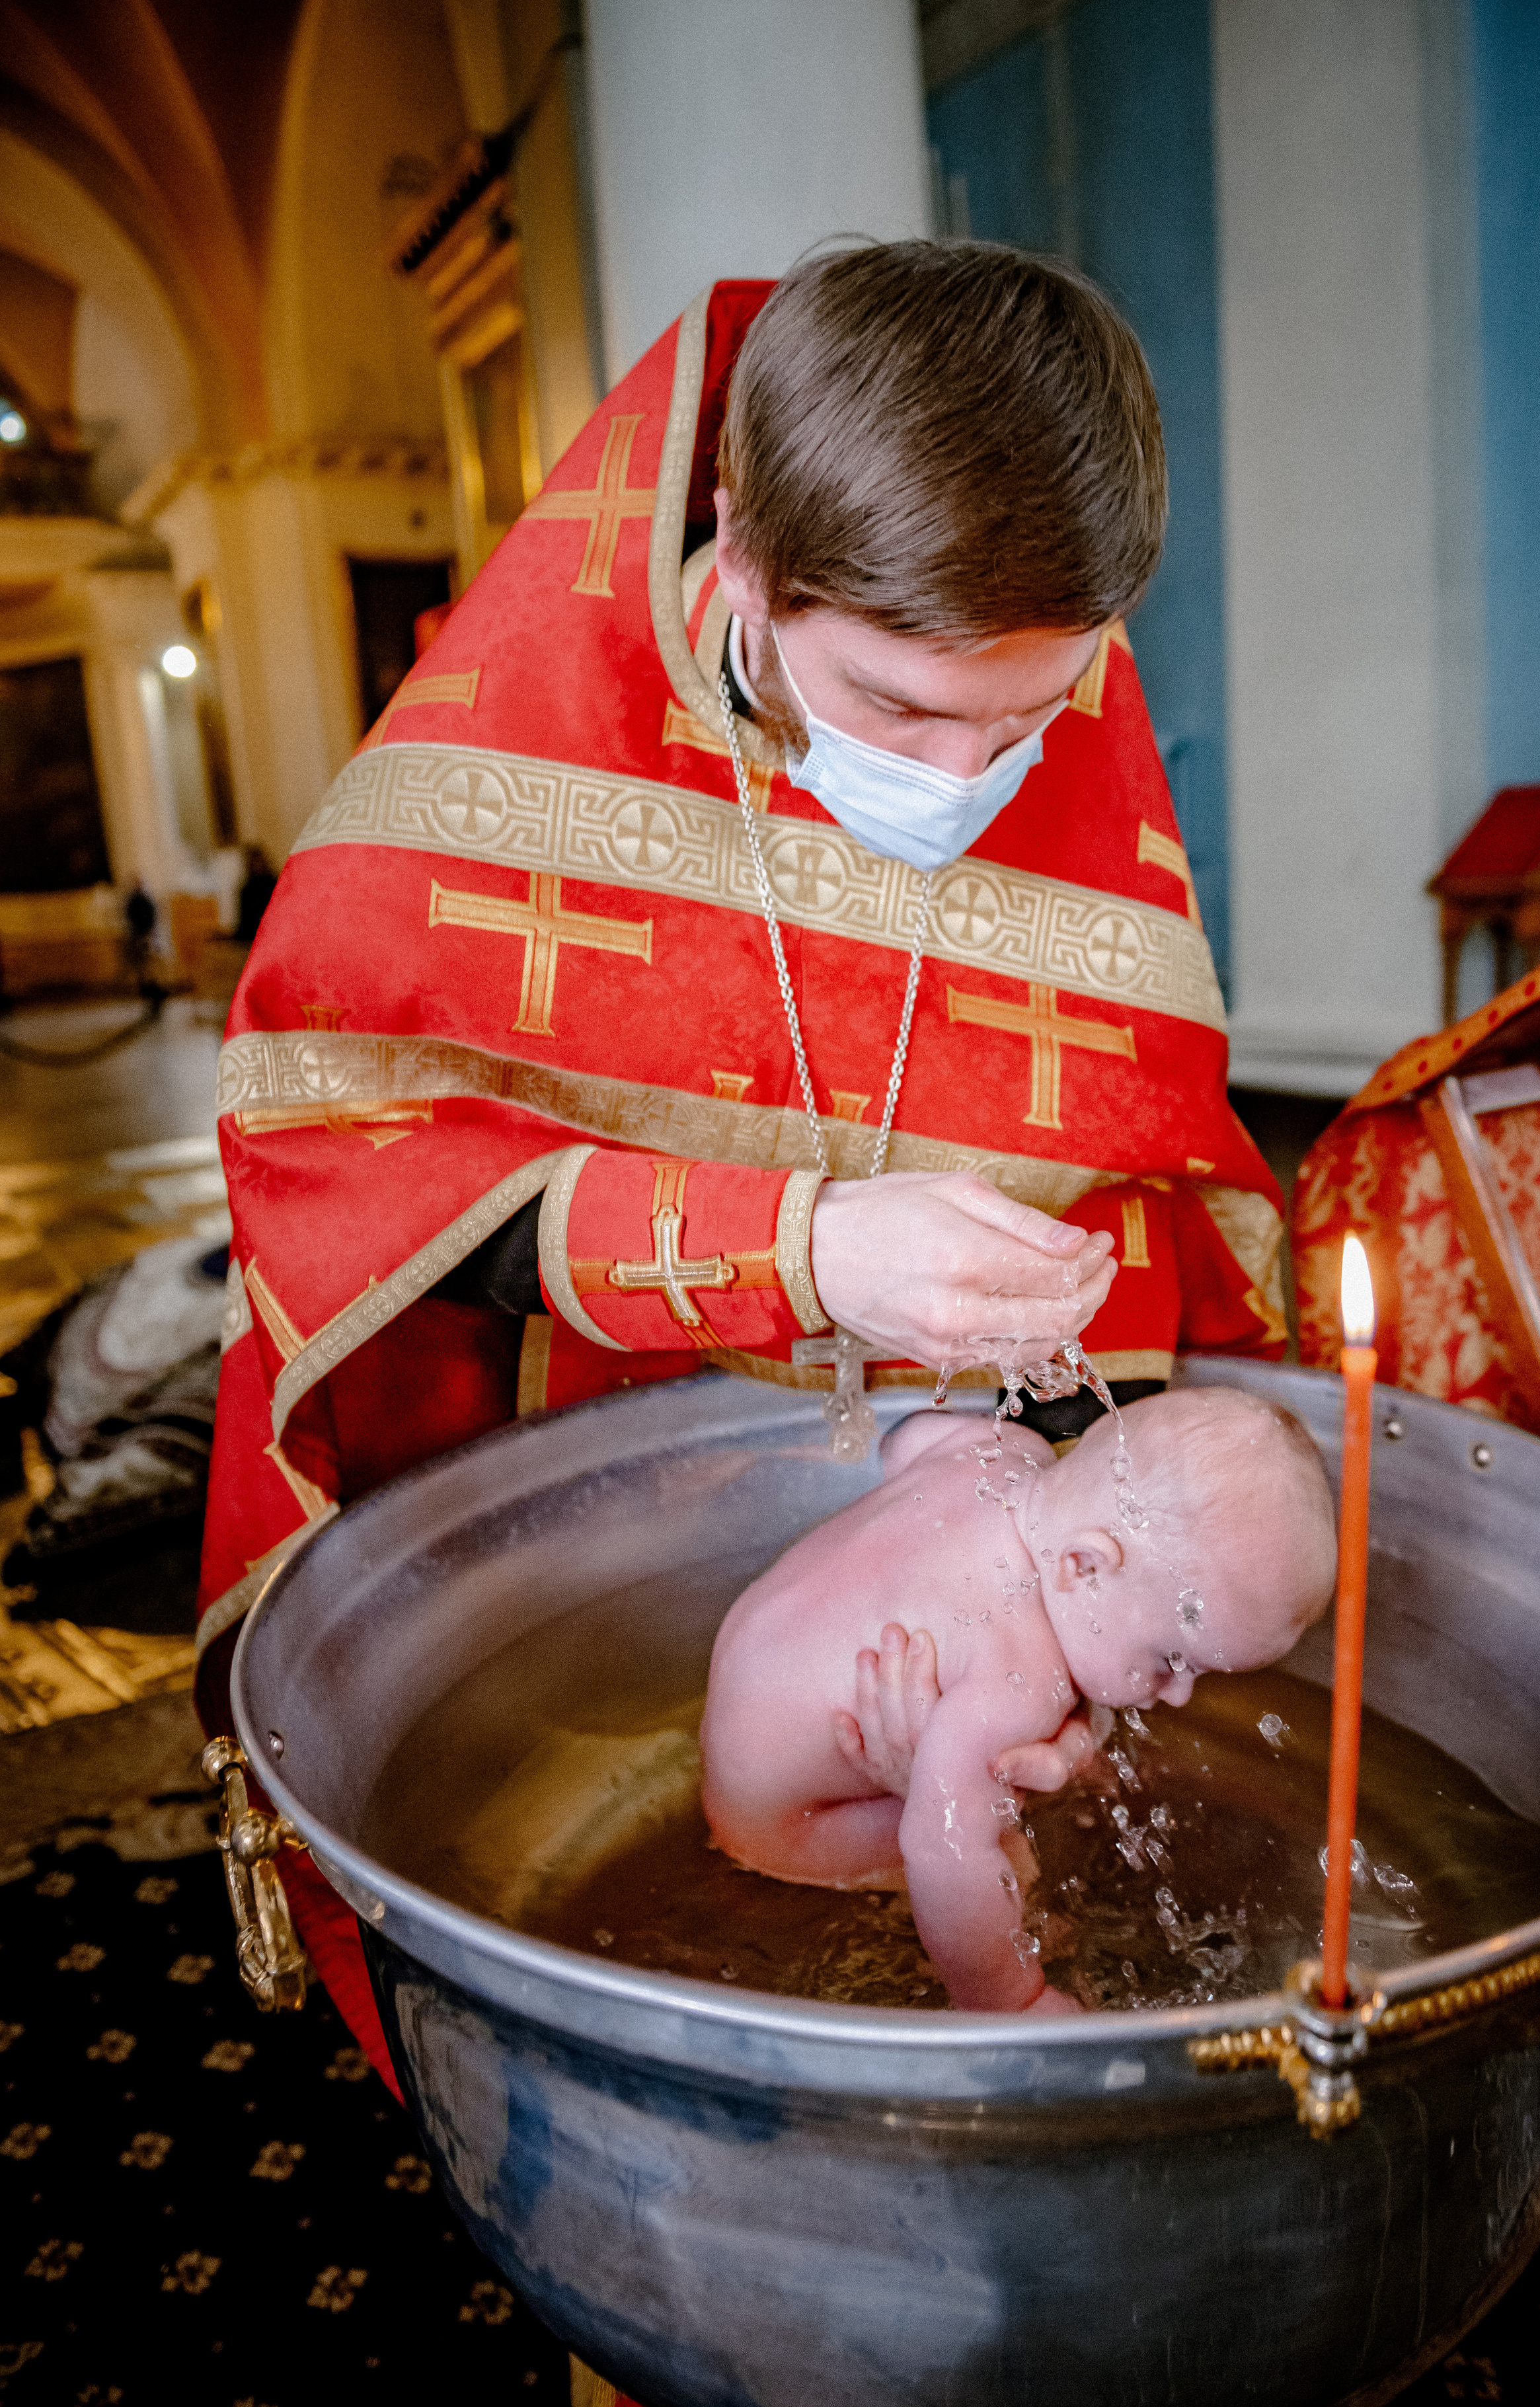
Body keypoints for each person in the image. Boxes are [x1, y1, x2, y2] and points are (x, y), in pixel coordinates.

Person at [198, 243, 1288, 2087]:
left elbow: (1144, 1156)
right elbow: (342, 1165)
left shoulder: (1045, 697)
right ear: (750, 561)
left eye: (1031, 717)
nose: (970, 774)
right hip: (586, 1486)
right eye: (896, 710)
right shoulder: (509, 762)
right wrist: (792, 1244)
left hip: (955, 1569)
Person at [699, 1387, 1335, 2014]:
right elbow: (941, 1843)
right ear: (1084, 1567)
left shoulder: (1006, 1449)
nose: (1178, 1693)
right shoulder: (1019, 1680)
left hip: (738, 1679)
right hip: (778, 1824)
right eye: (1170, 1660)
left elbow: (906, 1442)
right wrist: (1009, 2000)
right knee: (1004, 1855)